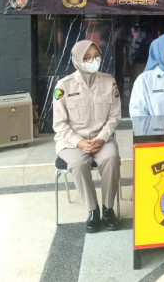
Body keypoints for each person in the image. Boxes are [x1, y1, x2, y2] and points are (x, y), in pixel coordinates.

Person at [53, 40, 121, 232]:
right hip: (72, 142)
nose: (93, 61)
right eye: (87, 57)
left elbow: (114, 116)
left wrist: (102, 138)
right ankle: (93, 210)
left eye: (96, 56)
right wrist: (79, 142)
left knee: (111, 157)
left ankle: (108, 209)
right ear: (76, 60)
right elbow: (59, 124)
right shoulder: (63, 86)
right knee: (77, 163)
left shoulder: (109, 81)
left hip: (102, 139)